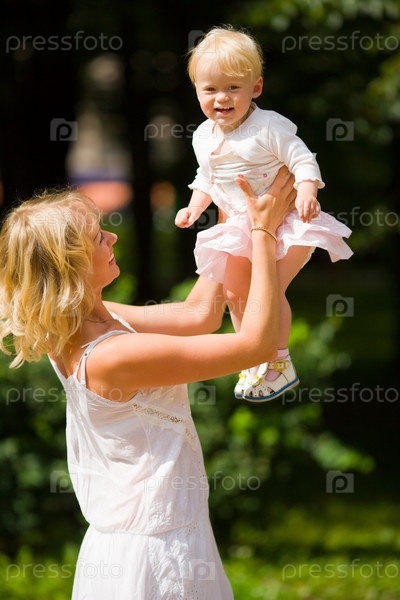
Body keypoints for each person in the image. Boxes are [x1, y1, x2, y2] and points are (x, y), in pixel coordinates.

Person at [0, 167, 295, 599]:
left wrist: (232, 224)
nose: (113, 238)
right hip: (156, 558)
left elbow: (198, 316)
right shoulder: (113, 356)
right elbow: (257, 346)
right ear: (71, 263)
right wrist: (262, 234)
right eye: (99, 238)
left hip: (156, 537)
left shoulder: (86, 320)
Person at [175, 25, 353, 402]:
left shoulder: (267, 127)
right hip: (243, 225)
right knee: (235, 291)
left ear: (255, 88)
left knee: (266, 288)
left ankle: (278, 361)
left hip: (288, 222)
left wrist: (307, 192)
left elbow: (301, 159)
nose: (221, 97)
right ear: (196, 91)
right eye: (210, 89)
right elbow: (207, 177)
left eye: (233, 88)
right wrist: (193, 207)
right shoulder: (203, 136)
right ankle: (253, 354)